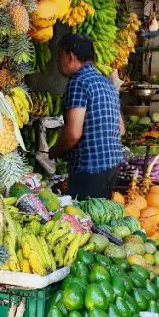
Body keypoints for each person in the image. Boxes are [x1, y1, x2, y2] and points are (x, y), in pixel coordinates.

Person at [52, 34, 124, 199]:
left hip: (90, 170)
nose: (58, 62)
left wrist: (55, 151)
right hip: (112, 166)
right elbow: (121, 129)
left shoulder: (78, 82)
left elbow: (73, 135)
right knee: (101, 217)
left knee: (83, 219)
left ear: (69, 56)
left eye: (59, 55)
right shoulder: (107, 83)